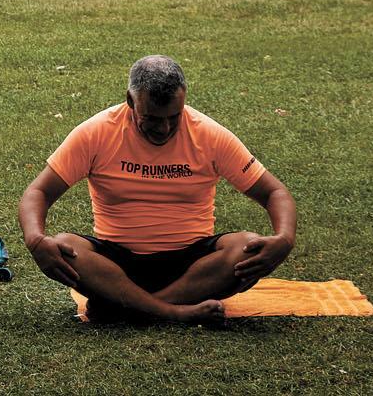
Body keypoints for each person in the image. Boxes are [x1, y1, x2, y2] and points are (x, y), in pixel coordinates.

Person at [18, 55, 297, 323]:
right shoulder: (97, 132)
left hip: (193, 266)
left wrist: (284, 238)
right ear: (131, 101)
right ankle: (173, 311)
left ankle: (131, 307)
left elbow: (274, 192)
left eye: (174, 117)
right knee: (65, 245)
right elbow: (38, 193)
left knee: (248, 247)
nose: (164, 128)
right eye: (151, 118)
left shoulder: (209, 135)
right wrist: (36, 240)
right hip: (117, 266)